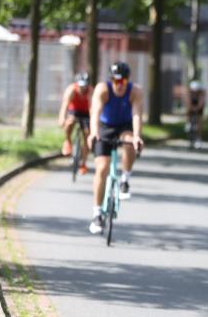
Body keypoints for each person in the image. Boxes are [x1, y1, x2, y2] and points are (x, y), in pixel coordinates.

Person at [87, 61, 145, 234]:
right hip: (105, 127)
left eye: (122, 82)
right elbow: (95, 112)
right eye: (115, 81)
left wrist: (136, 136)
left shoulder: (135, 91)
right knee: (102, 168)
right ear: (111, 80)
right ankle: (97, 214)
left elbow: (136, 114)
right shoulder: (102, 89)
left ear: (128, 81)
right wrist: (93, 133)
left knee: (129, 143)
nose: (119, 86)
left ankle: (125, 179)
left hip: (124, 126)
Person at [58, 72, 92, 173]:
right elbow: (64, 106)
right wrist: (61, 119)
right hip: (74, 111)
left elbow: (92, 108)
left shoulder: (91, 91)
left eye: (85, 86)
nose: (82, 88)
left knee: (87, 134)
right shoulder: (71, 90)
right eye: (80, 85)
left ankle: (84, 163)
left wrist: (92, 123)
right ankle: (68, 141)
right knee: (69, 123)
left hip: (86, 112)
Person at [185, 80, 207, 149]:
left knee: (199, 124)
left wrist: (196, 109)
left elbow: (201, 104)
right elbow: (188, 104)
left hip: (199, 108)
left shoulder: (201, 94)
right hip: (191, 108)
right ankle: (188, 124)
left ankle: (198, 139)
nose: (195, 92)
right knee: (189, 115)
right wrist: (192, 109)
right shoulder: (189, 94)